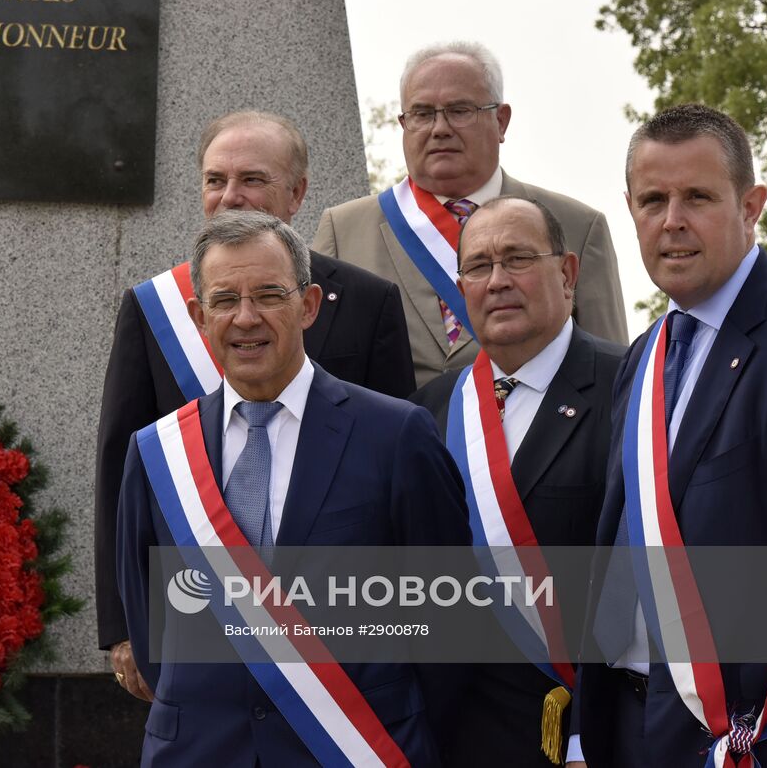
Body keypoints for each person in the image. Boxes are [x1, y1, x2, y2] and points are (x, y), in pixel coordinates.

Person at [117, 209, 469, 766]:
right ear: (198, 317)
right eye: (225, 300)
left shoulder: (395, 435)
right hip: (201, 750)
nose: (246, 318)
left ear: (307, 306)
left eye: (268, 295)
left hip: (354, 748)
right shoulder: (156, 452)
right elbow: (149, 624)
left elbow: (449, 622)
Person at [97, 110, 415, 694]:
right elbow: (121, 465)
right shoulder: (154, 308)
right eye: (216, 180)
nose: (231, 196)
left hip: (339, 633)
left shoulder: (368, 302)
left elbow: (402, 470)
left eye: (252, 179)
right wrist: (123, 627)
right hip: (197, 622)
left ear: (296, 194)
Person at [571, 104, 767, 767]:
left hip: (754, 743)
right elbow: (619, 553)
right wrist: (587, 730)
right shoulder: (644, 356)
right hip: (636, 731)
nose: (672, 221)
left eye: (697, 196)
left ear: (751, 205)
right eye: (652, 199)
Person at [410, 196, 623, 767]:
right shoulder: (425, 413)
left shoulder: (629, 388)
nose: (497, 281)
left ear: (568, 273)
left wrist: (589, 736)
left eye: (518, 259)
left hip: (590, 732)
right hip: (456, 738)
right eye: (479, 266)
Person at [311, 42, 628, 386]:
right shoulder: (344, 231)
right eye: (422, 113)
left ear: (501, 120)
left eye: (459, 110)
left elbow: (610, 375)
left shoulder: (578, 227)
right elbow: (319, 374)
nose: (440, 128)